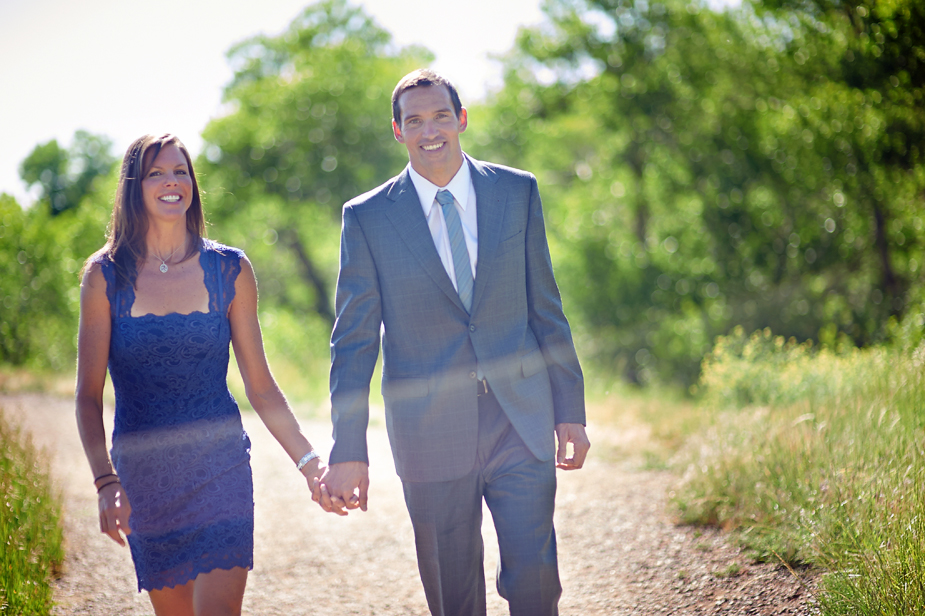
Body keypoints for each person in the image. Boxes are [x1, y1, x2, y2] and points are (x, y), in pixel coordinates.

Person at [314, 69, 590, 616]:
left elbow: (546, 307)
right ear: (398, 131)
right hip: (429, 431)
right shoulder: (367, 217)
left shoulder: (516, 191)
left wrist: (570, 410)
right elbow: (354, 340)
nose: (430, 130)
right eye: (414, 120)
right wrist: (348, 449)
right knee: (454, 593)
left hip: (520, 418)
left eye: (441, 115)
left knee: (536, 578)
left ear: (461, 119)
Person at [75, 133, 324, 616]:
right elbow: (87, 396)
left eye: (180, 171)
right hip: (145, 476)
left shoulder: (229, 269)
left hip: (221, 468)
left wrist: (310, 462)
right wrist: (105, 482)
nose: (172, 182)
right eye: (156, 173)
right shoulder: (104, 276)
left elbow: (262, 387)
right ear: (134, 186)